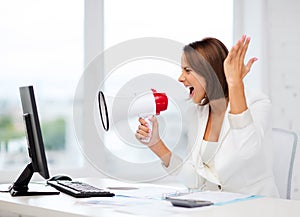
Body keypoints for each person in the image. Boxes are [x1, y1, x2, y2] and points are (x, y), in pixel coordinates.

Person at [135, 35, 279, 197]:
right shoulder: (197, 113)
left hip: (256, 207)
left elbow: (247, 151)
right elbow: (196, 181)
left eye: (187, 70)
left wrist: (235, 83)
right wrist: (156, 144)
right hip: (216, 206)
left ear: (210, 73)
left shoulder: (257, 103)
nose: (180, 78)